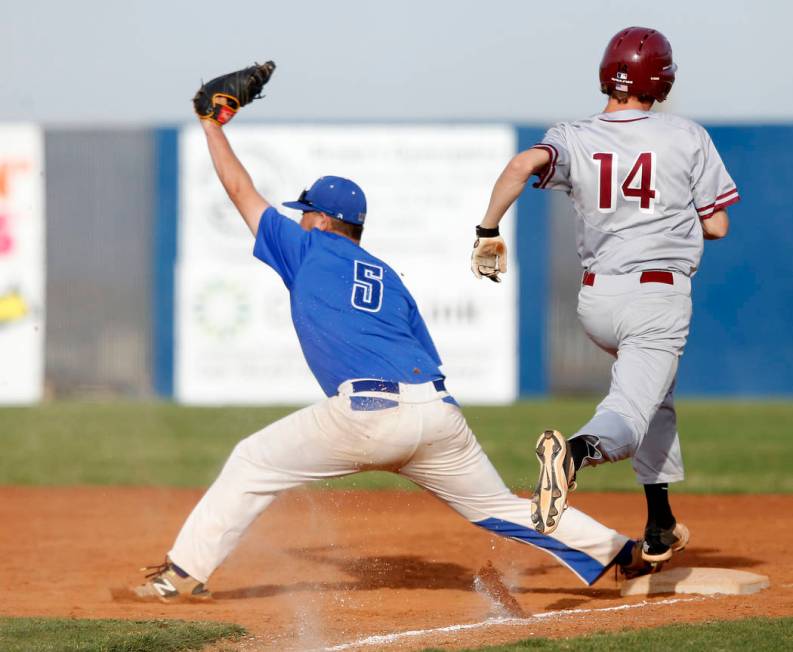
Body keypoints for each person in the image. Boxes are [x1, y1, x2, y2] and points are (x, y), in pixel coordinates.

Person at [116, 85, 654, 604]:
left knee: (251, 461)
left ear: (323, 221)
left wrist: (211, 124)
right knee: (501, 507)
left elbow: (239, 190)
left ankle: (182, 574)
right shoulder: (387, 276)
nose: (299, 217)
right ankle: (622, 552)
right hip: (437, 411)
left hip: (368, 412)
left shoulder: (307, 247)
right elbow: (426, 353)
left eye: (306, 211)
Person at [471, 26, 738, 565]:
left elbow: (523, 165)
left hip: (596, 303)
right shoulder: (686, 137)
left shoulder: (572, 134)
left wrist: (487, 232)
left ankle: (660, 523)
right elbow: (718, 226)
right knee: (630, 413)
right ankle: (573, 454)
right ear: (660, 81)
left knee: (654, 397)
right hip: (655, 298)